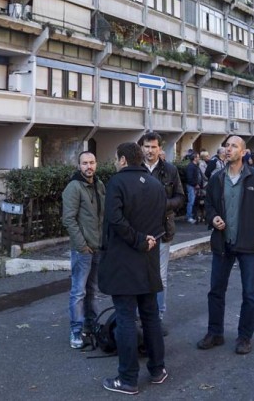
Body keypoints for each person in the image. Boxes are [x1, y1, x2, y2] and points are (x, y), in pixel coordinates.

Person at [197, 134, 254, 355]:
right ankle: (214, 333)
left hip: (249, 244)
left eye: (234, 146)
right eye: (226, 145)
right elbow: (208, 205)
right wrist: (213, 217)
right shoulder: (217, 178)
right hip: (222, 244)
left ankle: (244, 337)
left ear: (244, 152)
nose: (228, 149)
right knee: (216, 291)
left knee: (249, 294)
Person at [97, 142, 167, 394]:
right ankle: (158, 369)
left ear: (124, 160)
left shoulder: (117, 182)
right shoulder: (156, 184)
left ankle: (127, 379)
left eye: (117, 158)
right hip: (149, 259)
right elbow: (163, 220)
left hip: (124, 260)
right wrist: (148, 240)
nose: (116, 162)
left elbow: (115, 219)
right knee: (150, 316)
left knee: (126, 317)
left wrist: (138, 240)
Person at [138, 132, 184, 325]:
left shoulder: (170, 170)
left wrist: (161, 204)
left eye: (154, 147)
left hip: (163, 230)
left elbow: (180, 198)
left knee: (159, 278)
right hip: (138, 232)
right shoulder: (134, 169)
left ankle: (158, 318)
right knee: (139, 277)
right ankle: (140, 319)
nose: (150, 150)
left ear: (160, 148)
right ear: (141, 148)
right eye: (147, 147)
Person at [62, 151, 105, 349]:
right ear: (79, 165)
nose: (89, 166)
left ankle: (92, 326)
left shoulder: (99, 185)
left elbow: (103, 216)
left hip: (98, 247)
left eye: (91, 162)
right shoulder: (74, 187)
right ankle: (76, 330)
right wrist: (82, 245)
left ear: (96, 164)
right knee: (78, 292)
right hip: (83, 249)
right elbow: (68, 219)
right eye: (84, 163)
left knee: (92, 291)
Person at [185, 152, 203, 224]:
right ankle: (189, 217)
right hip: (191, 186)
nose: (199, 158)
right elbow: (189, 177)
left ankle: (193, 216)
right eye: (198, 157)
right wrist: (195, 184)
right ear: (195, 158)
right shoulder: (191, 166)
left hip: (194, 186)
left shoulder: (195, 166)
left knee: (194, 202)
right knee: (191, 201)